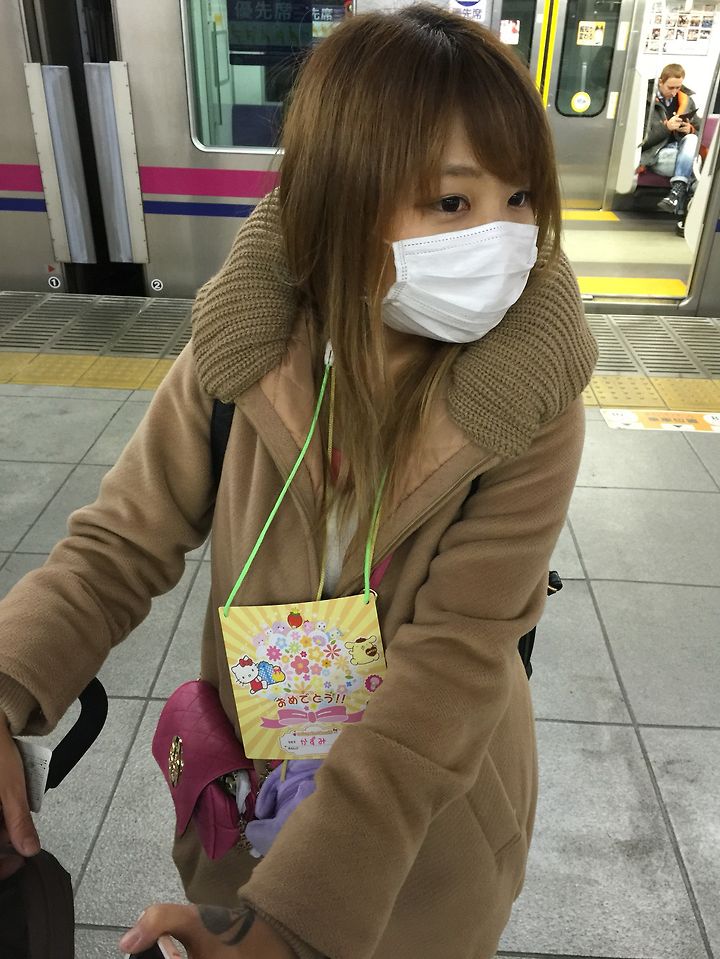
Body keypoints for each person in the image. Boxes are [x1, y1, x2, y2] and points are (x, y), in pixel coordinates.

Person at [0, 6, 597, 958]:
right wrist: (6, 685)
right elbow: (117, 544)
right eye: (453, 203)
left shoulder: (531, 398)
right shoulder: (242, 353)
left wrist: (296, 921)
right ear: (339, 200)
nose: (503, 239)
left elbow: (457, 655)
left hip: (428, 845)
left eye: (520, 196)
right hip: (249, 796)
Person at [640, 62, 700, 215]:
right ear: (661, 82)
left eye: (678, 88)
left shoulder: (686, 101)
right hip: (656, 155)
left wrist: (690, 129)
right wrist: (666, 128)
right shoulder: (645, 101)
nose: (674, 92)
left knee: (692, 139)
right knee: (696, 167)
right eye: (670, 87)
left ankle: (675, 195)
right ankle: (684, 209)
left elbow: (699, 129)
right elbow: (641, 141)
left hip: (681, 151)